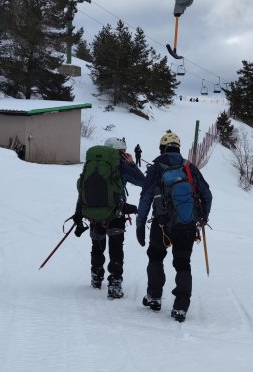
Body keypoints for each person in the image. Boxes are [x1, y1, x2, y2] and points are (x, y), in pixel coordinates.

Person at [135, 131, 213, 322]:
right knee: (182, 263)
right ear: (178, 148)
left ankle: (154, 296)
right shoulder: (190, 168)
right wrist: (203, 217)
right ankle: (181, 307)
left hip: (161, 224)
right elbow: (207, 195)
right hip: (186, 225)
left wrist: (140, 224)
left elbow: (145, 198)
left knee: (155, 256)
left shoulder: (156, 168)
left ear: (162, 148)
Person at [71, 137, 144, 299]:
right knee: (116, 248)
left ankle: (96, 276)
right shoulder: (122, 167)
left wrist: (79, 212)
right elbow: (142, 181)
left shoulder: (92, 165)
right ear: (119, 152)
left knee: (97, 245)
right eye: (123, 152)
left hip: (94, 213)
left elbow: (83, 190)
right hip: (116, 214)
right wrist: (131, 164)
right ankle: (115, 283)